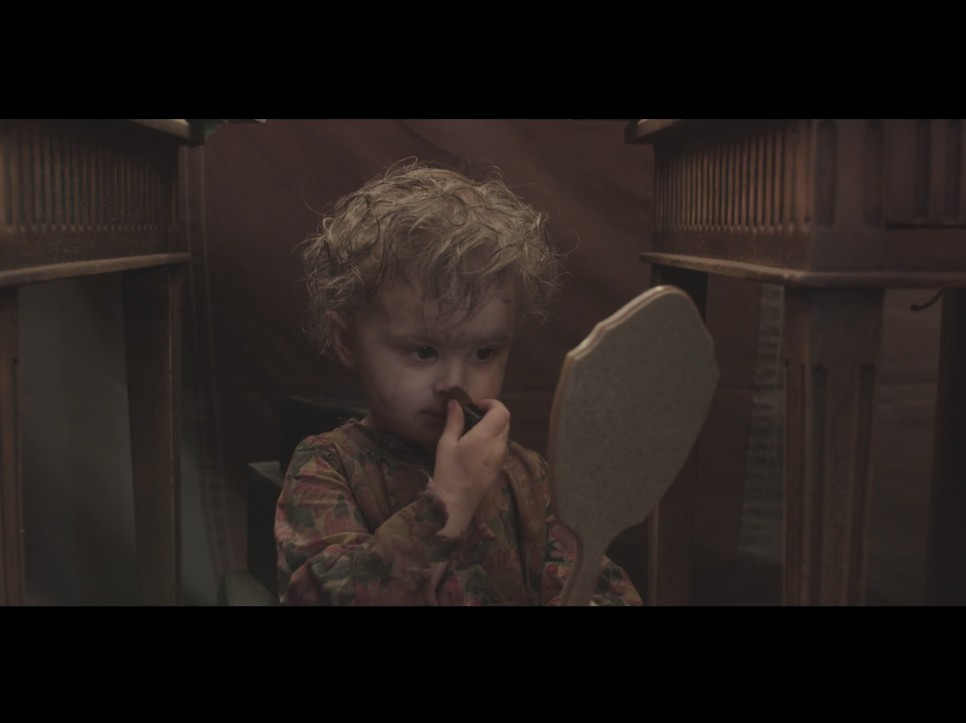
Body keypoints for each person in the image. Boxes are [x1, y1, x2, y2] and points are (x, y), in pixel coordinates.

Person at [275, 161, 642, 606]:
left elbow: (601, 587)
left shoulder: (526, 477)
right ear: (346, 340)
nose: (454, 383)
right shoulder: (327, 468)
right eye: (423, 351)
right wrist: (448, 502)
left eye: (484, 352)